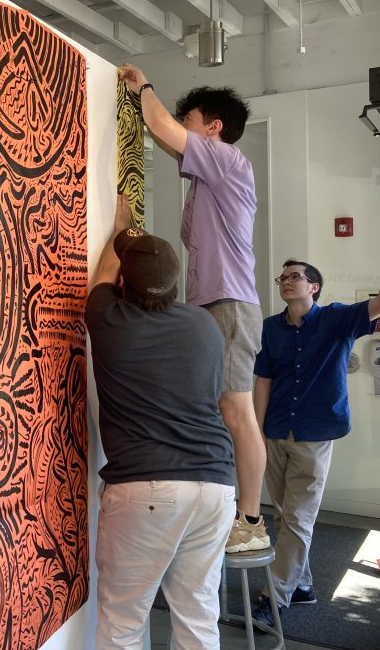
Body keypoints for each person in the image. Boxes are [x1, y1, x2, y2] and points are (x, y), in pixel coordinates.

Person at [117, 65, 267, 553]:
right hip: (212, 305)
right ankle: (233, 511)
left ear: (214, 127)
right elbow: (168, 138)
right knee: (222, 409)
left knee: (236, 409)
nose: (183, 124)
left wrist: (143, 88)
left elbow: (164, 128)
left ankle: (250, 520)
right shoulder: (207, 175)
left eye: (192, 118)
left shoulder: (225, 159)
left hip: (228, 301)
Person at [86, 197, 236, 649]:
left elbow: (101, 277)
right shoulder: (204, 326)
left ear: (124, 283)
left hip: (146, 489)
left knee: (124, 622)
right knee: (197, 618)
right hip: (215, 486)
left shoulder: (109, 320)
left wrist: (122, 227)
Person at [250, 255, 380, 628]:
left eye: (295, 276)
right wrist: (258, 431)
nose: (286, 281)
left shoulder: (337, 320)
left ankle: (273, 598)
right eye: (282, 277)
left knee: (298, 518)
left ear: (314, 287)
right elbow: (263, 379)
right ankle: (302, 586)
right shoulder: (269, 328)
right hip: (276, 430)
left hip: (315, 435)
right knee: (283, 515)